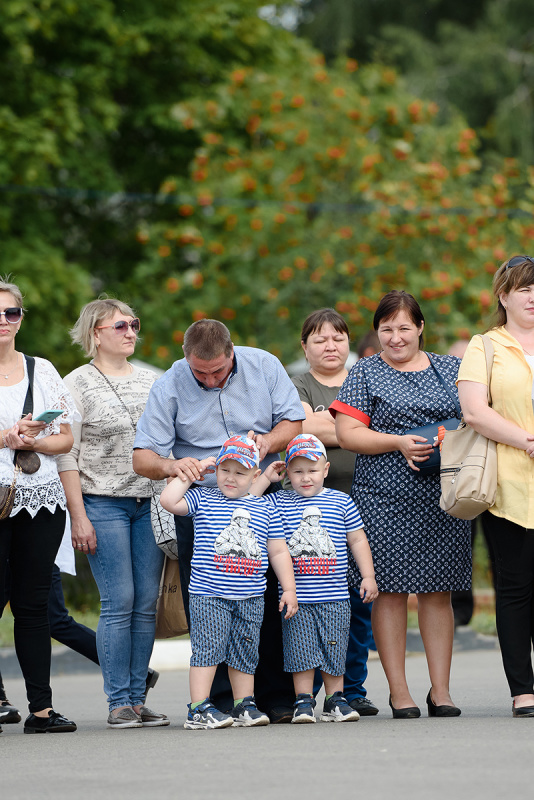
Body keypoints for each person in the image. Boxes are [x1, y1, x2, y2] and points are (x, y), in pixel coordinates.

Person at [132, 318, 304, 723]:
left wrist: (267, 441)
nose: (209, 381)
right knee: (210, 603)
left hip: (262, 489)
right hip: (204, 501)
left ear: (232, 354)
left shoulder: (263, 364)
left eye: (218, 371)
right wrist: (174, 465)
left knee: (269, 593)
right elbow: (142, 458)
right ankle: (221, 701)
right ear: (185, 359)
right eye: (199, 373)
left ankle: (274, 696)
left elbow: (293, 422)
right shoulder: (170, 383)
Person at [331, 290, 470, 718]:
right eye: (386, 329)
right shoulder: (365, 372)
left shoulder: (452, 368)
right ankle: (400, 692)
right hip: (384, 496)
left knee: (437, 592)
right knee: (389, 593)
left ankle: (441, 691)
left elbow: (474, 417)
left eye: (404, 328)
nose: (395, 337)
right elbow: (347, 434)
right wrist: (397, 443)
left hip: (444, 495)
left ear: (421, 328)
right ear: (377, 332)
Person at [57, 298, 167, 730]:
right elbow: (67, 456)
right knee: (118, 601)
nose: (130, 331)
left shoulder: (155, 380)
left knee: (146, 603)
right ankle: (117, 701)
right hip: (101, 502)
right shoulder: (74, 385)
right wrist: (77, 515)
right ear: (95, 333)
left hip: (150, 503)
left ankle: (138, 700)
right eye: (120, 325)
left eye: (134, 323)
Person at [161, 435, 297, 729]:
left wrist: (289, 588)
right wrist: (194, 472)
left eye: (240, 472)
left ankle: (243, 704)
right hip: (209, 594)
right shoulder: (203, 499)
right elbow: (168, 500)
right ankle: (198, 708)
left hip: (250, 596)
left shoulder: (264, 507)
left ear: (255, 475)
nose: (231, 478)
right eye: (225, 470)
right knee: (208, 651)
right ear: (216, 470)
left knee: (245, 652)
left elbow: (277, 550)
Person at [253, 434, 378, 724]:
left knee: (335, 647)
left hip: (335, 595)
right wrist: (266, 477)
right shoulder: (278, 502)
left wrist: (368, 576)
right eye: (297, 471)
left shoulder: (341, 502)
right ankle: (303, 701)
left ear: (325, 469)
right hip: (298, 596)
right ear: (287, 473)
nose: (305, 478)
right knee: (300, 650)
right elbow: (249, 502)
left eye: (312, 470)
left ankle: (335, 699)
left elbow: (358, 540)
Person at [291, 308, 378, 716]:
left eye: (339, 338)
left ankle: (352, 689)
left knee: (359, 604)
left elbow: (329, 430)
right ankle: (306, 694)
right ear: (304, 346)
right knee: (314, 607)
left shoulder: (365, 377)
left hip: (370, 503)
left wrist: (333, 425)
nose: (331, 346)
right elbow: (305, 429)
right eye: (320, 339)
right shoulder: (297, 384)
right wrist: (357, 429)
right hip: (313, 514)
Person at [457, 254, 534, 717]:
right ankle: (522, 690)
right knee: (516, 587)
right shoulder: (484, 345)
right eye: (524, 288)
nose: (533, 297)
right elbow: (474, 411)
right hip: (507, 487)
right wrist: (528, 441)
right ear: (503, 295)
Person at [0, 277, 77, 734]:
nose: (3, 322)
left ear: (21, 319)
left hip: (41, 497)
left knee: (33, 606)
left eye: (11, 313)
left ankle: (41, 710)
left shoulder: (41, 369)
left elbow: (67, 437)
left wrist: (36, 438)